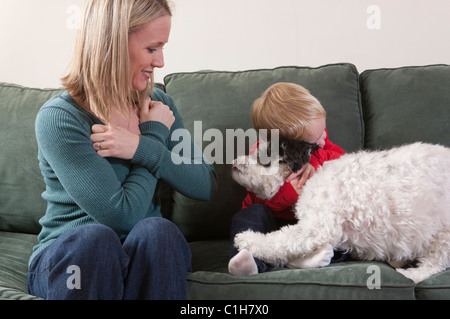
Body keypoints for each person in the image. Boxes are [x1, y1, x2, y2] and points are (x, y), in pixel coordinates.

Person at [27, 0, 217, 300]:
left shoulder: (159, 107)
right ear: (113, 46)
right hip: (72, 258)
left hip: (144, 255)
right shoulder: (60, 118)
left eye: (163, 47)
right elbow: (121, 217)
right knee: (96, 239)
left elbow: (205, 183)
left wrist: (139, 147)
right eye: (152, 48)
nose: (161, 62)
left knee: (159, 232)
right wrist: (152, 140)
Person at [228, 82, 346, 276]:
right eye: (315, 141)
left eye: (323, 131)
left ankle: (310, 258)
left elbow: (341, 168)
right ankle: (248, 260)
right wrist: (289, 193)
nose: (323, 139)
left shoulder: (328, 151)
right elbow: (259, 196)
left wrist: (313, 161)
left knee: (340, 232)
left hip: (309, 227)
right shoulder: (261, 156)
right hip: (273, 225)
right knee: (249, 215)